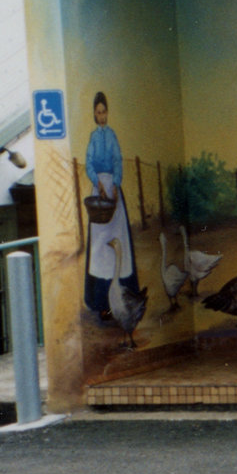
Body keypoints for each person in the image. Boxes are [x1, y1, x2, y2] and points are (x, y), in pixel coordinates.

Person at [83, 91, 138, 322]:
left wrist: (115, 184)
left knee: (118, 241)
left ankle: (123, 300)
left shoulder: (112, 135)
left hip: (113, 192)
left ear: (107, 113)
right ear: (94, 115)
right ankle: (102, 304)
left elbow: (118, 159)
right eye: (98, 112)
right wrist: (98, 184)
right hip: (98, 192)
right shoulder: (94, 137)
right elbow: (88, 163)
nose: (102, 116)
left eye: (104, 112)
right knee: (100, 246)